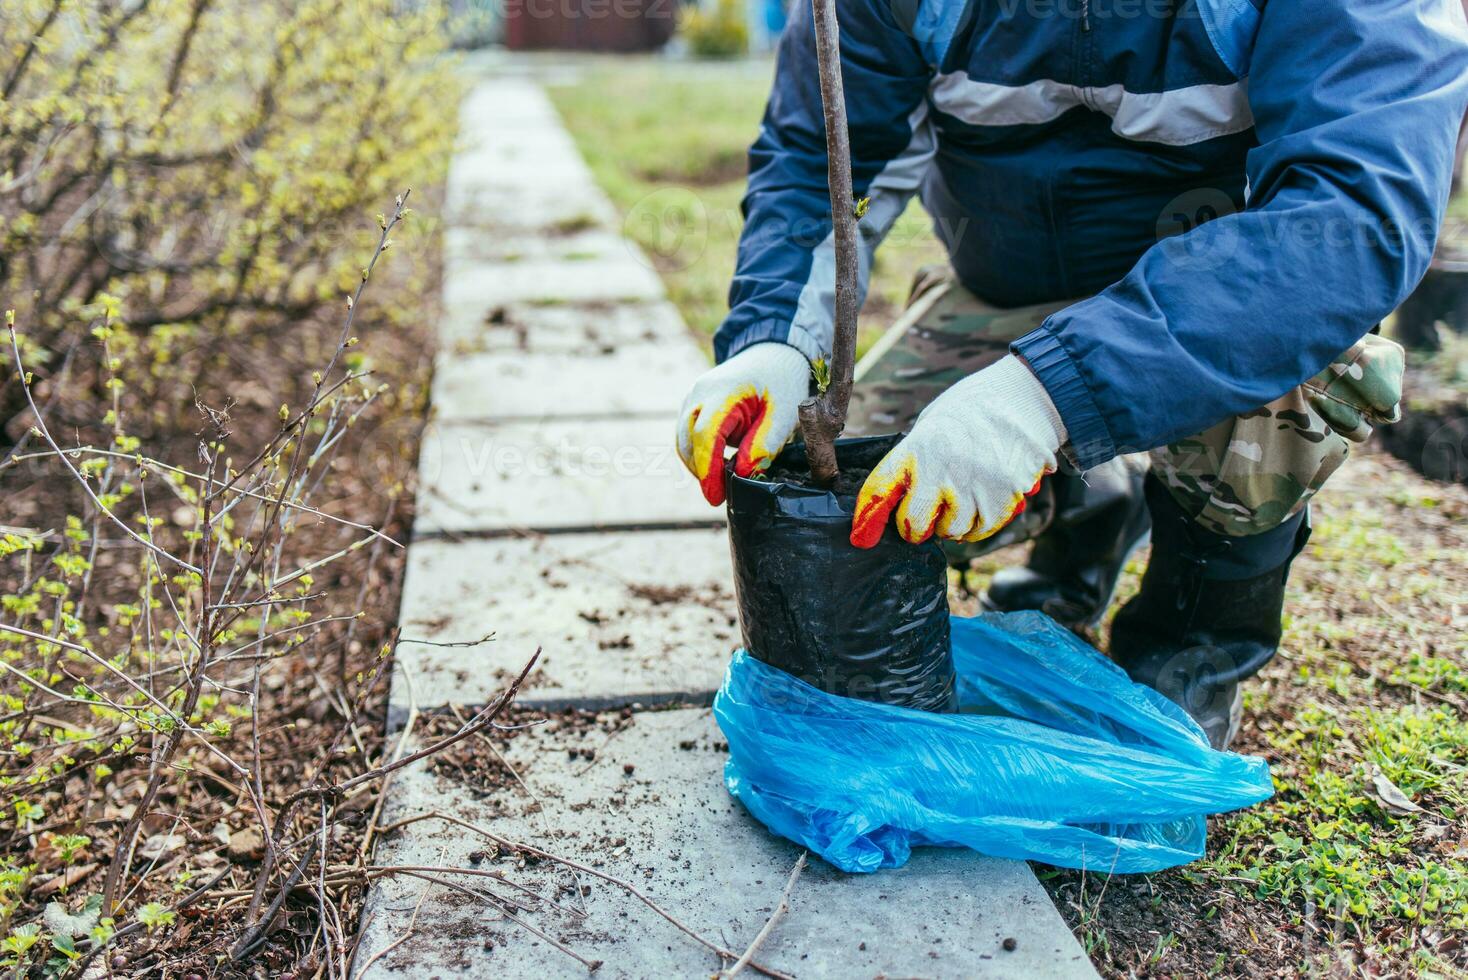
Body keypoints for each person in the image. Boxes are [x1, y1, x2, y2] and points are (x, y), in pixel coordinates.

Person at [675, 0, 1468, 747]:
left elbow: (1350, 215)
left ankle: (1188, 646)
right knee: (849, 491)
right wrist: (774, 340)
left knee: (1284, 392)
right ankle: (1095, 503)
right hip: (1002, 295)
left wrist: (1043, 397)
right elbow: (824, 156)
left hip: (1230, 302)